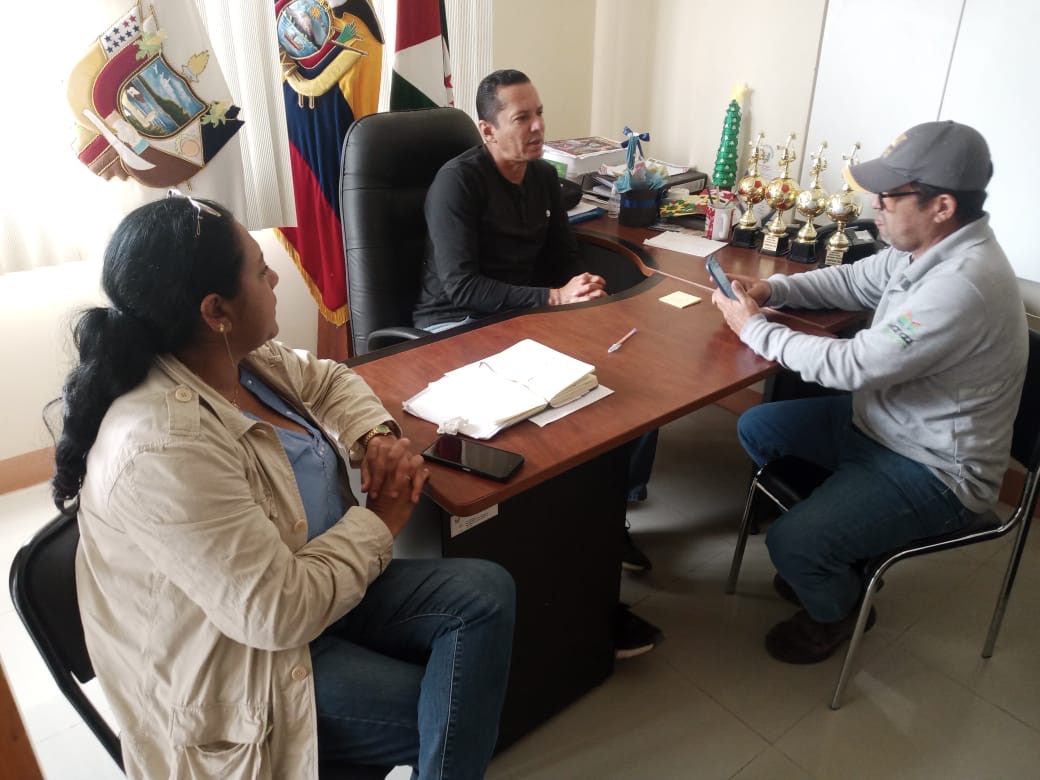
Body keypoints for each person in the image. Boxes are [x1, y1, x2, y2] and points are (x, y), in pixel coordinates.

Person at [49, 193, 516, 779]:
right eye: (260, 270)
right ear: (215, 310)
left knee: (485, 593)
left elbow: (328, 380)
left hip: (304, 580)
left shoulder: (237, 359)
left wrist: (374, 435)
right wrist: (381, 519)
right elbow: (276, 613)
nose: (274, 279)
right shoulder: (164, 448)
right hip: (242, 659)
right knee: (448, 710)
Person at [710, 121, 1028, 664]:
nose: (875, 205)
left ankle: (840, 608)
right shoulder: (922, 246)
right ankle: (838, 547)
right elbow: (853, 281)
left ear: (942, 206)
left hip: (935, 468)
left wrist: (754, 329)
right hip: (880, 424)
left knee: (792, 542)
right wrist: (772, 289)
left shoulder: (963, 283)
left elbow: (853, 365)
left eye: (889, 195)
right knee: (759, 426)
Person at [414, 67, 658, 579]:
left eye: (540, 113)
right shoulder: (457, 183)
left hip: (523, 316)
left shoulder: (544, 177)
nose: (538, 127)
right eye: (521, 118)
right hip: (454, 324)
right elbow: (462, 288)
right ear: (487, 131)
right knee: (547, 411)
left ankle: (610, 508)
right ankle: (549, 527)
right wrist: (552, 296)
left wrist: (581, 287)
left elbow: (562, 258)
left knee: (630, 382)